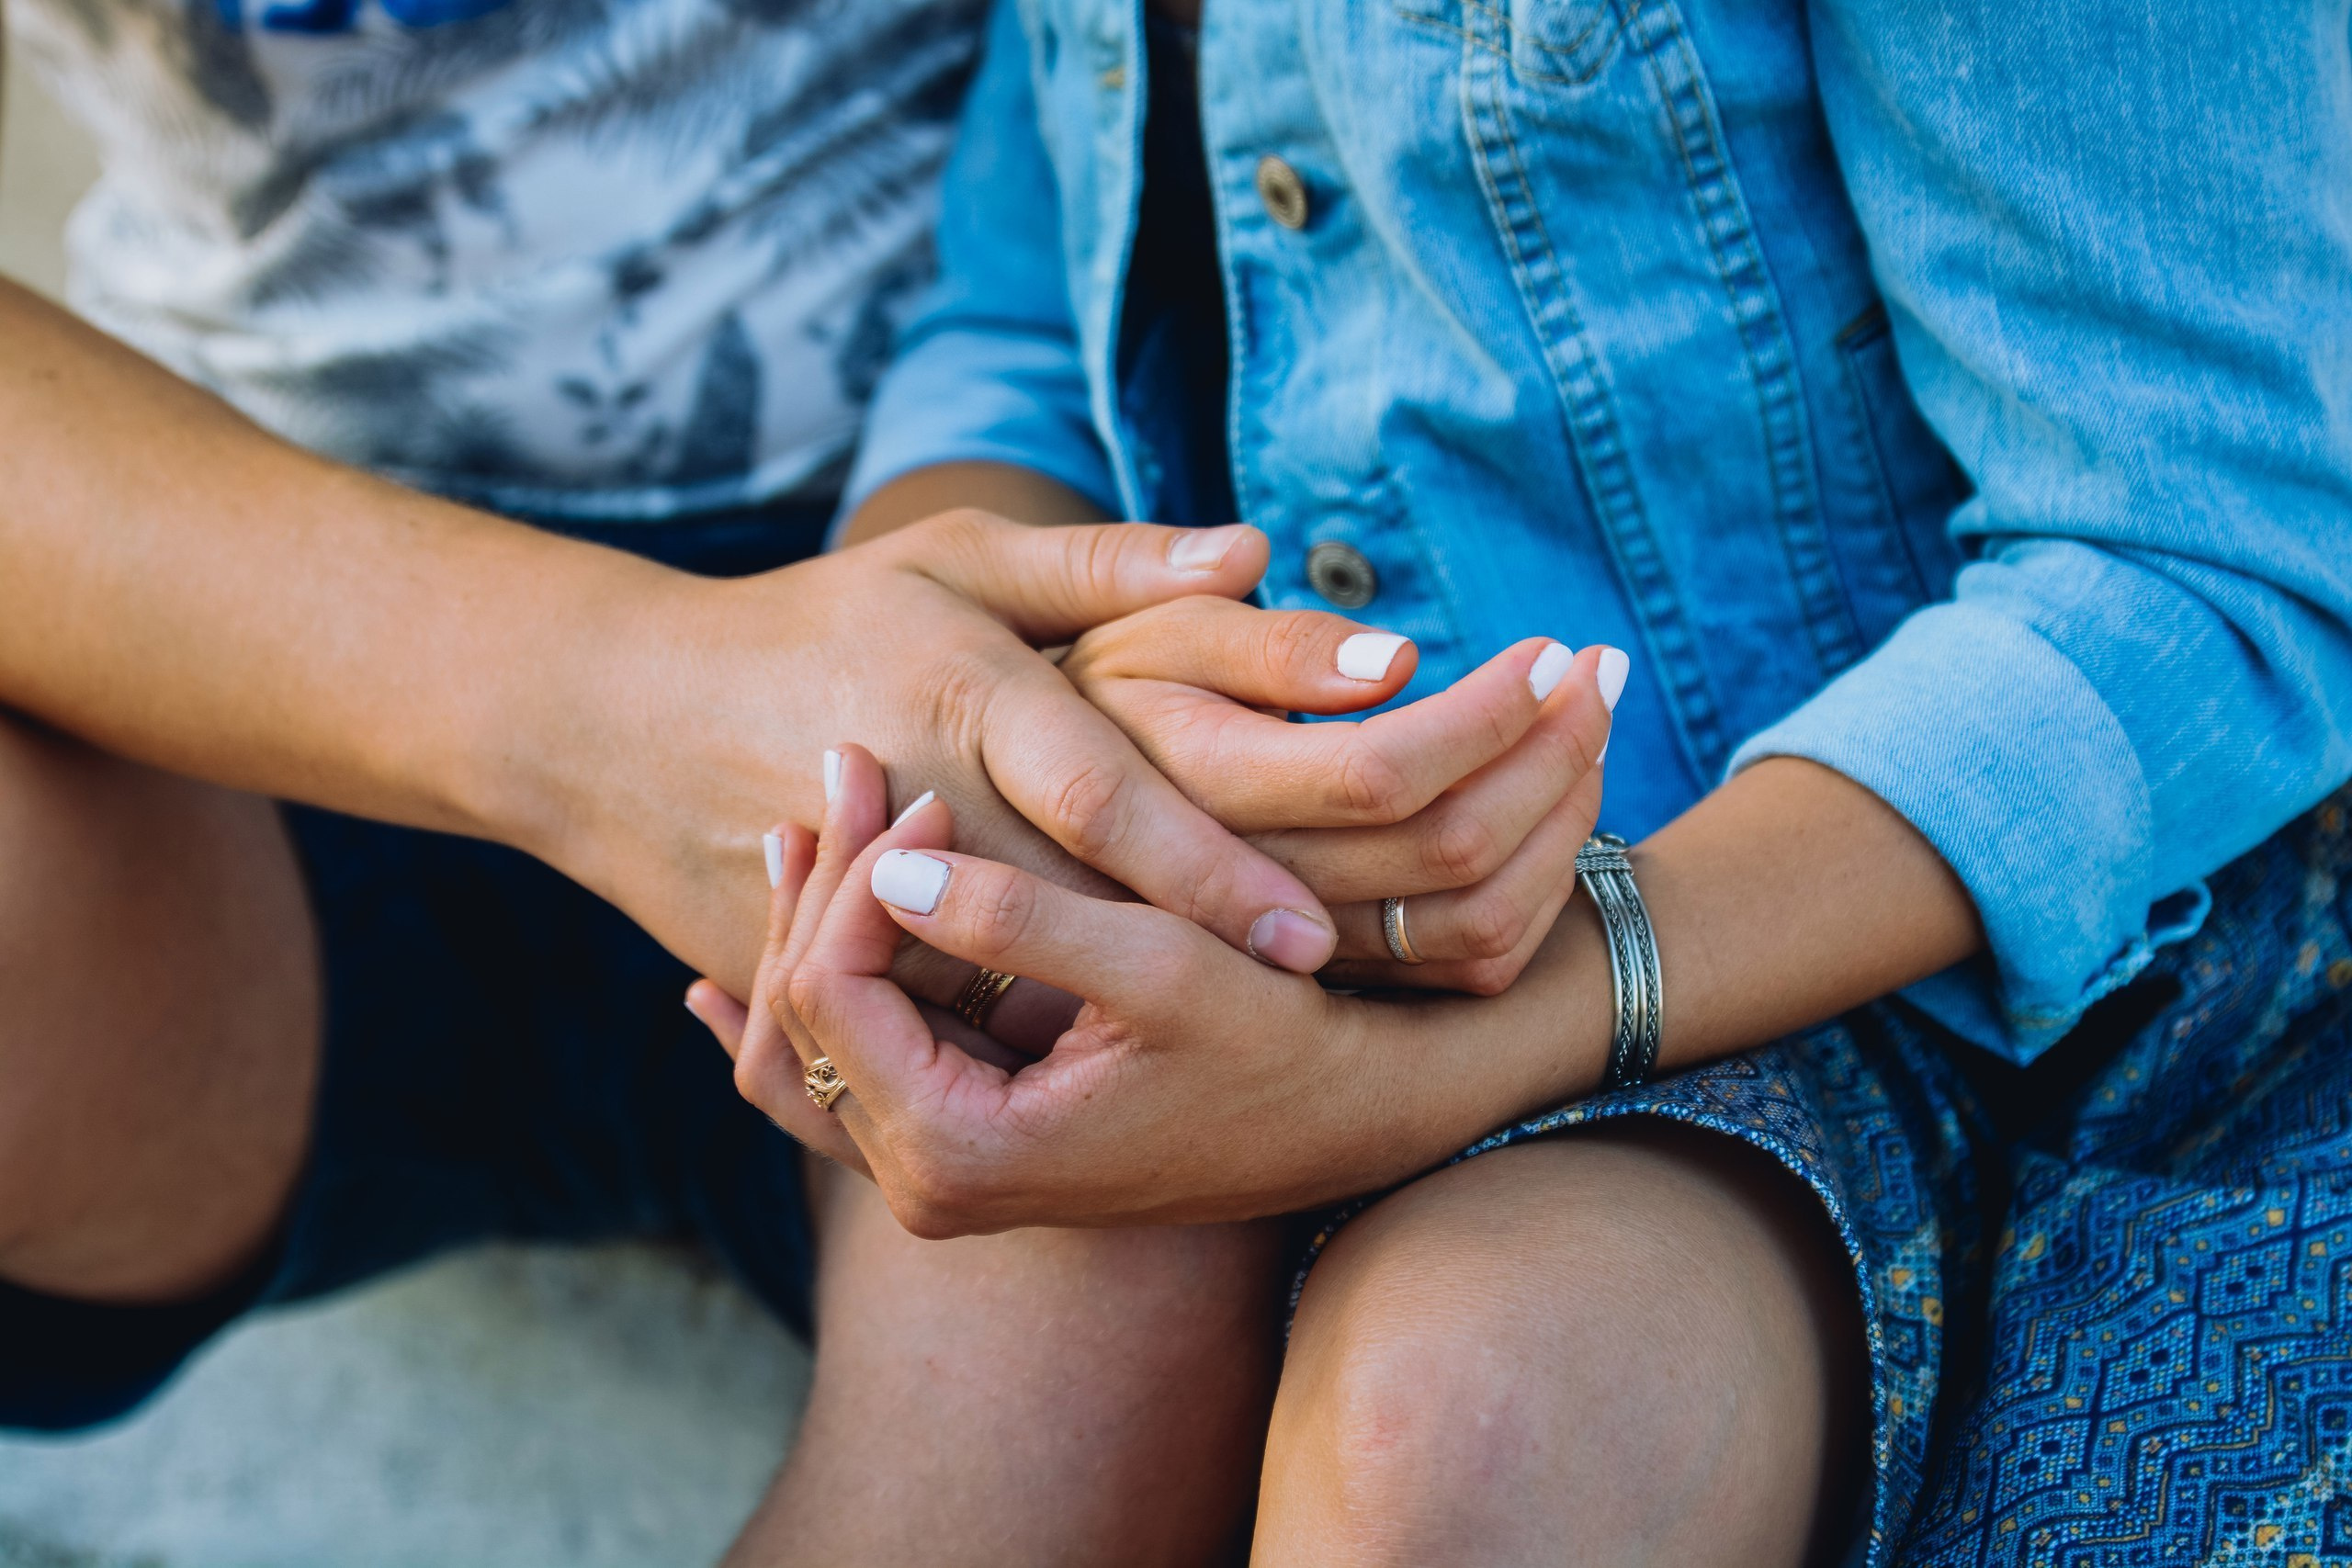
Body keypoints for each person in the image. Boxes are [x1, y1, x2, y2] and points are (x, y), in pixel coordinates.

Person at [703, 0, 2352, 1562]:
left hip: (1891, 891)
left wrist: (1510, 1009)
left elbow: (2211, 554)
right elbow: (1016, 330)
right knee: (991, 1408)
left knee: (1460, 1432)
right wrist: (960, 753)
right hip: (1250, 878)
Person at [0, 0, 1624, 1555]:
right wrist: (613, 703)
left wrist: (996, 679)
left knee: (1091, 1316)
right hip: (246, 581)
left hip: (1020, 564)